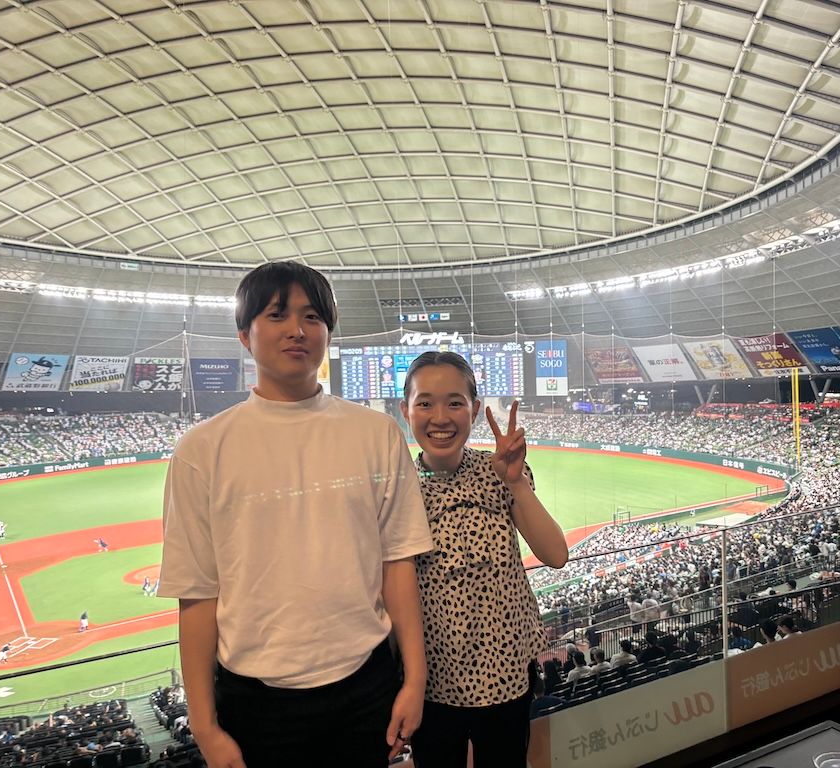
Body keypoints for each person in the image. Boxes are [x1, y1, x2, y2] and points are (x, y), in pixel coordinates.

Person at [158, 262, 433, 767]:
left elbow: (398, 563)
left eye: (312, 316)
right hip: (256, 699)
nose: (297, 330)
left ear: (327, 331)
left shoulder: (376, 434)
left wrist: (414, 679)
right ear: (245, 334)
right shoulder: (202, 450)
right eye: (277, 314)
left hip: (366, 684)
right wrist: (205, 728)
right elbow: (196, 594)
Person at [400, 351, 568, 768]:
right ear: (405, 410)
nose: (440, 416)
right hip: (432, 681)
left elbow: (556, 554)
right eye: (425, 402)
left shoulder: (500, 471)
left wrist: (516, 483)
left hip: (507, 672)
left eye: (455, 402)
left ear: (475, 410)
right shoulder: (397, 488)